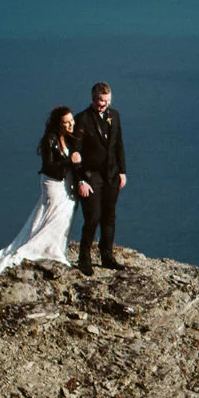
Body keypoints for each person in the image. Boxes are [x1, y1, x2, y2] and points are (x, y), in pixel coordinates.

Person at [0, 106, 82, 280]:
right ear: (58, 124)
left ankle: (54, 248)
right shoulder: (49, 140)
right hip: (54, 184)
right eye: (67, 122)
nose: (71, 124)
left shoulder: (69, 139)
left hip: (66, 182)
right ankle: (44, 249)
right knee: (53, 214)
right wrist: (69, 162)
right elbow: (48, 166)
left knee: (63, 215)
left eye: (72, 120)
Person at [73, 81, 127, 275]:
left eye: (106, 101)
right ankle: (84, 258)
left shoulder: (115, 116)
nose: (102, 104)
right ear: (93, 98)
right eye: (99, 100)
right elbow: (75, 154)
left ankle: (107, 256)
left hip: (111, 175)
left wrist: (122, 171)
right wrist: (80, 180)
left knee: (109, 217)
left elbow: (118, 144)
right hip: (91, 176)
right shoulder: (82, 119)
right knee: (93, 217)